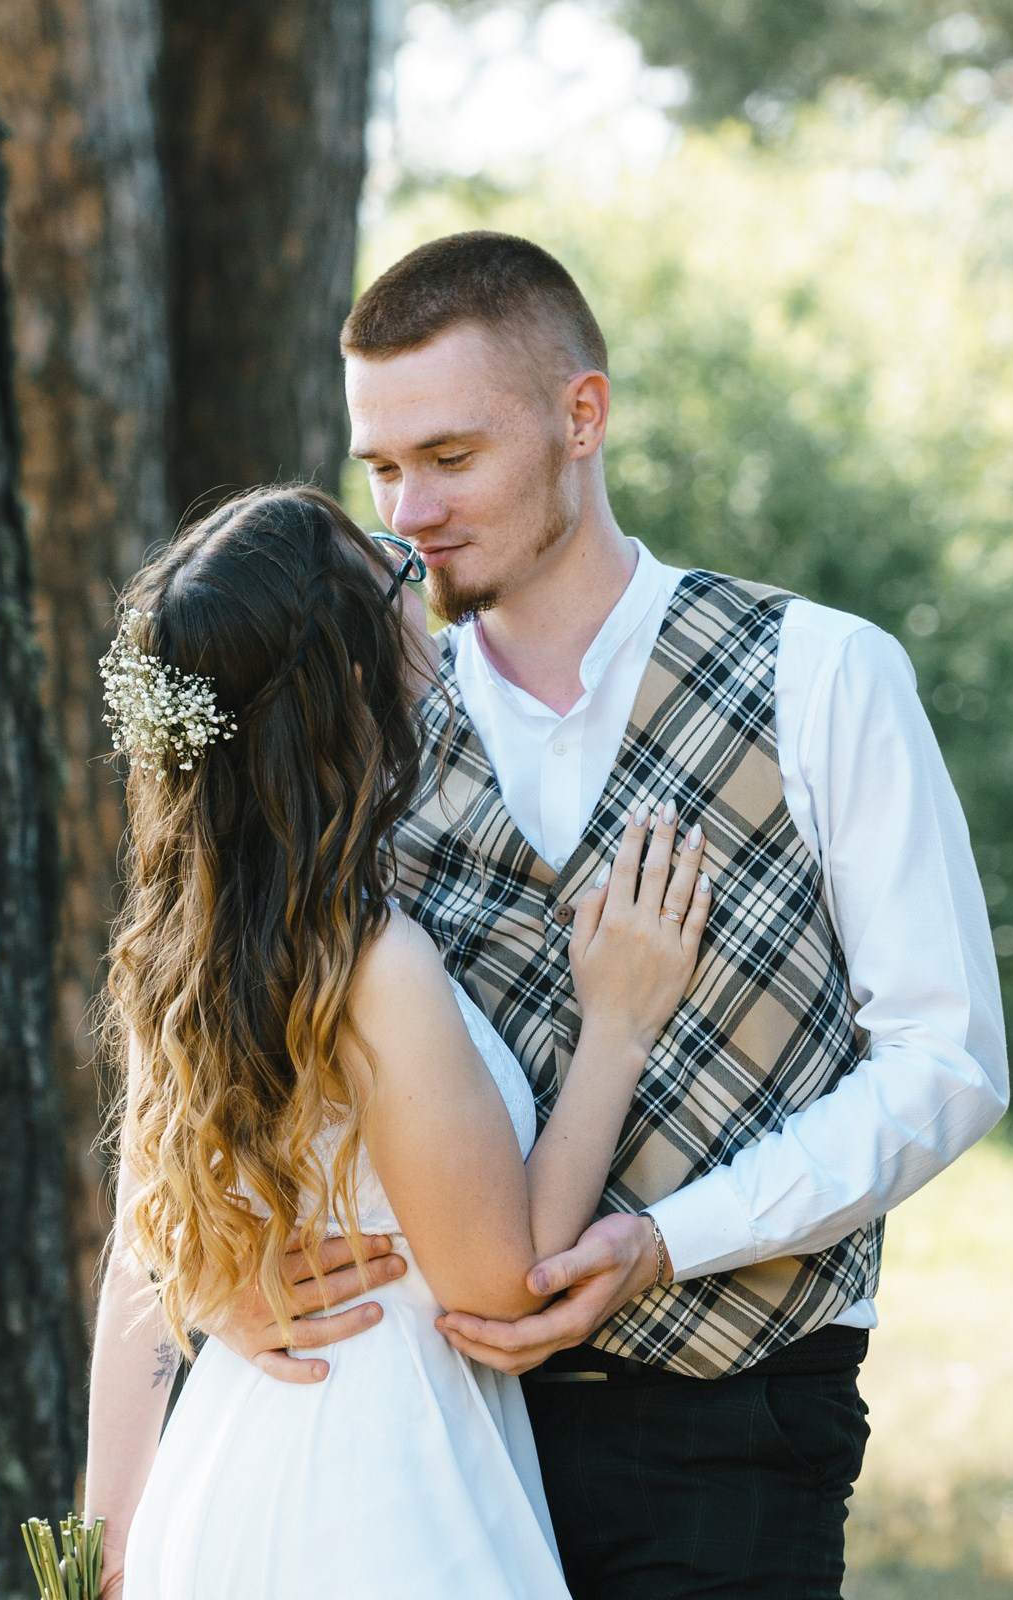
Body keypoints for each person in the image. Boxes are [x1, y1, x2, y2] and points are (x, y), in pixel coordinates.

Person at [198, 231, 1011, 1597]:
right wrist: (208, 1278)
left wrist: (663, 1244)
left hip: (730, 1420)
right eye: (381, 467)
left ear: (583, 416)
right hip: (425, 1443)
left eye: (451, 458)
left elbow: (947, 1064)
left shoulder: (822, 675)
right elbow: (215, 1016)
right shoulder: (359, 725)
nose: (406, 511)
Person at [77, 482, 720, 1598]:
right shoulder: (373, 962)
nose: (416, 574)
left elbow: (145, 1252)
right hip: (378, 1499)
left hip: (217, 1483)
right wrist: (616, 1028)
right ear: (357, 673)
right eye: (389, 564)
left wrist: (102, 1550)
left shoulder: (185, 949)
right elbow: (503, 1285)